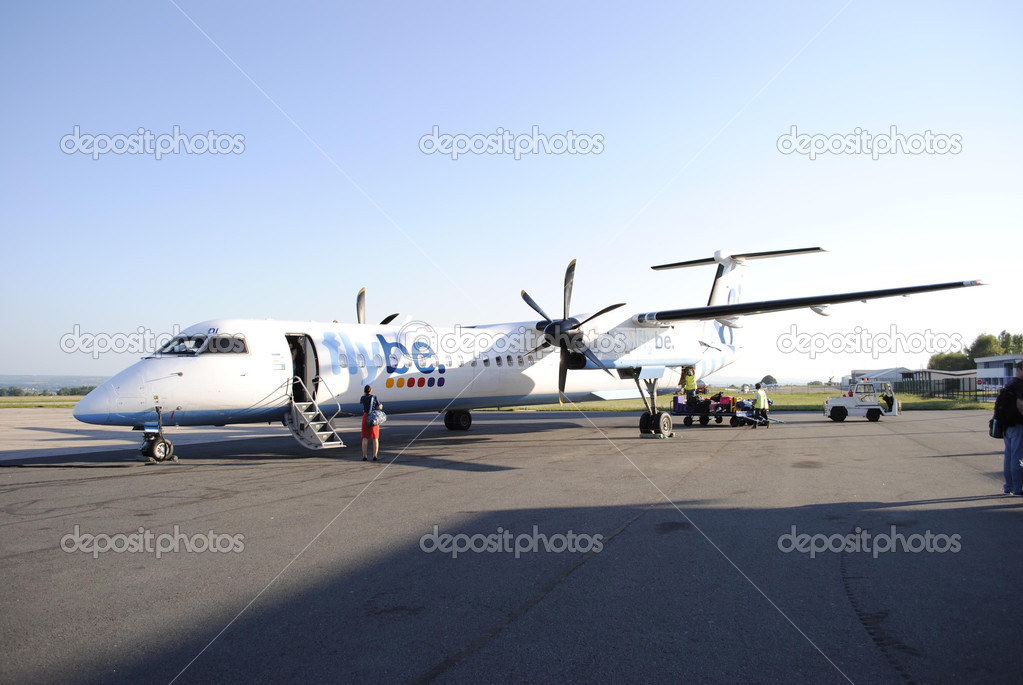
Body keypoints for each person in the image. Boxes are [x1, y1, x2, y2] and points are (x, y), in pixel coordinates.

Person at [1002, 362, 1023, 495]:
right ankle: (1018, 488)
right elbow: (1021, 404)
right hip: (1018, 424)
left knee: (1009, 456)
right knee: (1019, 457)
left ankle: (1008, 486)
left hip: (1007, 425)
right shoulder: (1020, 385)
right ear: (1020, 370)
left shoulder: (1009, 384)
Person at [360, 384, 383, 461]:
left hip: (365, 416)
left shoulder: (363, 397)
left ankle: (364, 456)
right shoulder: (374, 397)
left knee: (365, 437)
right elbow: (380, 406)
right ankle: (375, 455)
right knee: (375, 437)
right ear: (370, 390)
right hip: (373, 417)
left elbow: (362, 402)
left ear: (364, 391)